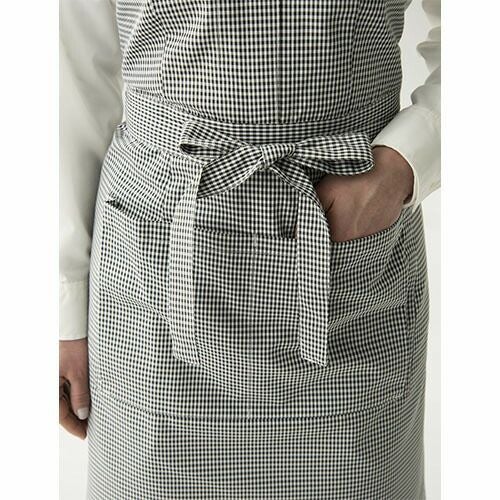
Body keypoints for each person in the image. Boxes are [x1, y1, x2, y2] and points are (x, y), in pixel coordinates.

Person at [59, 0, 440, 498]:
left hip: (351, 258)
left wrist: (404, 162)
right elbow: (76, 67)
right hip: (153, 269)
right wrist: (64, 304)